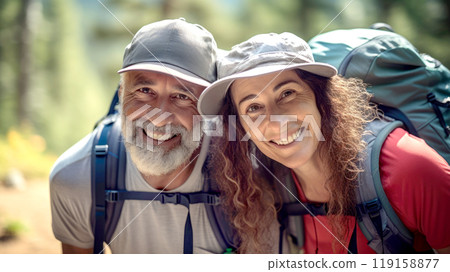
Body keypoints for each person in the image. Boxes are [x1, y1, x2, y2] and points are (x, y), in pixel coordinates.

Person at [197, 32, 450, 253]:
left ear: (322, 97)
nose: (275, 122)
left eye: (287, 93)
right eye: (253, 107)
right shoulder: (267, 184)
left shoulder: (410, 167)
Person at [50, 18, 238, 254]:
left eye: (182, 96)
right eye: (144, 91)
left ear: (208, 109)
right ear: (121, 93)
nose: (159, 118)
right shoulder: (78, 177)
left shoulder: (247, 175)